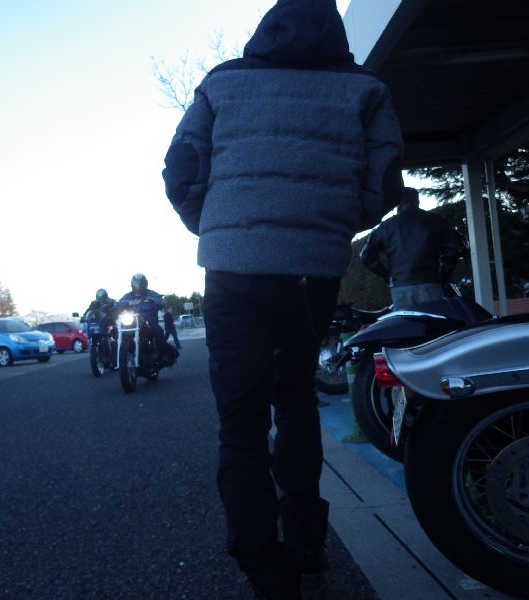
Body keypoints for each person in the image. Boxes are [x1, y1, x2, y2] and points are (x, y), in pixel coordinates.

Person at [161, 1, 405, 598]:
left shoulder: (223, 82)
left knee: (240, 424)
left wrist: (215, 227)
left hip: (232, 272)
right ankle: (308, 546)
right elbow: (384, 181)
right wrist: (331, 227)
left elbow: (180, 169)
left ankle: (267, 573)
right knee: (295, 399)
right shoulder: (365, 89)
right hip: (310, 273)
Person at [360, 187, 463, 310]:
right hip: (430, 284)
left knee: (406, 322)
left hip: (401, 287)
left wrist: (386, 276)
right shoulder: (436, 221)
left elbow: (366, 255)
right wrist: (443, 278)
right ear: (417, 201)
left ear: (398, 203)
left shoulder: (386, 226)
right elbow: (453, 250)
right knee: (435, 321)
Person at [116, 273, 176, 366]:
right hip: (132, 324)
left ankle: (162, 356)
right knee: (117, 334)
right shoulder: (127, 297)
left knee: (158, 331)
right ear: (132, 284)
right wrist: (114, 307)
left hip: (150, 323)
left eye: (141, 283)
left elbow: (162, 302)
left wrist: (156, 301)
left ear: (145, 283)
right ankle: (116, 359)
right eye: (136, 283)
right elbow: (118, 305)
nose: (138, 286)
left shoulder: (151, 294)